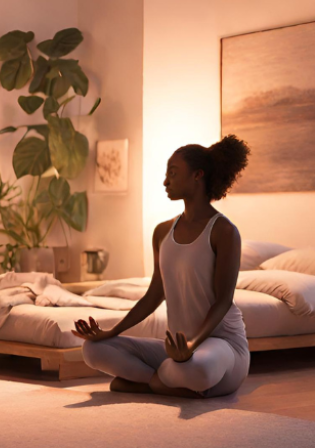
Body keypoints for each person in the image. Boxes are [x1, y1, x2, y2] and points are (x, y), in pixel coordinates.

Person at [73, 135, 251, 398]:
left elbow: (223, 302)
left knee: (199, 370)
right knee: (93, 350)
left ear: (197, 176)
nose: (166, 181)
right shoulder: (162, 232)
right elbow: (154, 294)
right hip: (176, 350)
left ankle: (152, 383)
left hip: (220, 347)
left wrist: (191, 344)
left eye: (173, 173)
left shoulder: (224, 231)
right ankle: (169, 383)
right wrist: (112, 332)